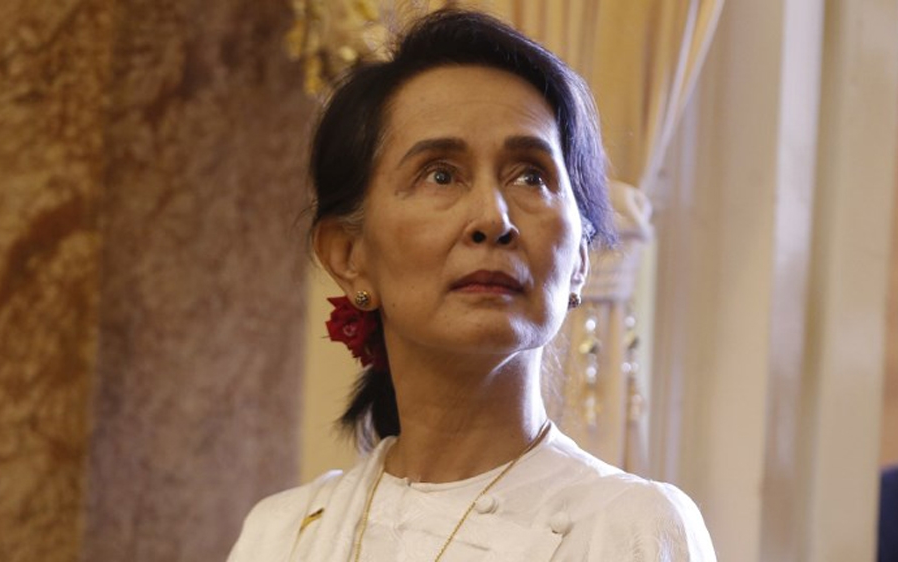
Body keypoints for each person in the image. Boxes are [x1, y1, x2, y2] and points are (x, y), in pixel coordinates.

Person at [228, 8, 715, 561]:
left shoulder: (630, 528)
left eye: (531, 176)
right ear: (349, 255)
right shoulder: (284, 535)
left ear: (580, 260)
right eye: (440, 174)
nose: (493, 218)